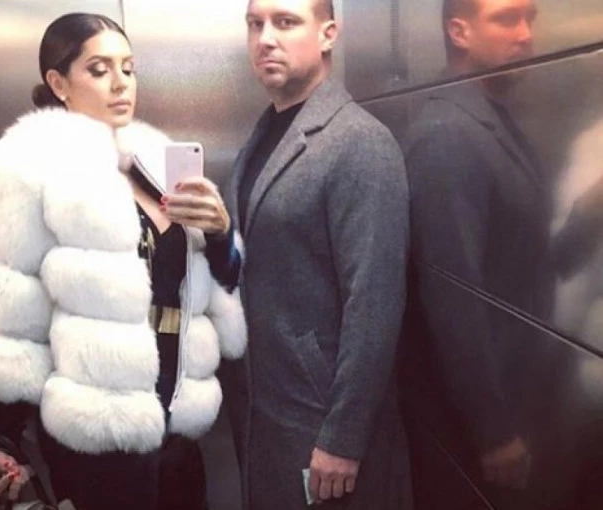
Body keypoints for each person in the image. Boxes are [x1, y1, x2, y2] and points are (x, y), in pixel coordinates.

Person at [0, 12, 247, 510]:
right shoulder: (26, 168)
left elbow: (216, 284)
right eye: (99, 69)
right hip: (96, 441)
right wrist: (0, 439)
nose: (120, 83)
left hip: (176, 429)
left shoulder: (152, 164)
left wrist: (220, 234)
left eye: (128, 68)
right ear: (58, 83)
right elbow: (14, 319)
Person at [221, 0, 411, 508]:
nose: (265, 38)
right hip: (265, 408)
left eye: (286, 22)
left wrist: (343, 437)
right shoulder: (264, 135)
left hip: (320, 421)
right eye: (255, 25)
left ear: (328, 34)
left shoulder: (360, 143)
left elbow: (374, 301)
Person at [401, 0, 543, 493]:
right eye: (507, 18)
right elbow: (453, 297)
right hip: (472, 431)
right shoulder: (446, 135)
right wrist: (494, 431)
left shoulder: (488, 121)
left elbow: (523, 262)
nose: (525, 34)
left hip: (519, 401)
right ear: (459, 32)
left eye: (530, 18)